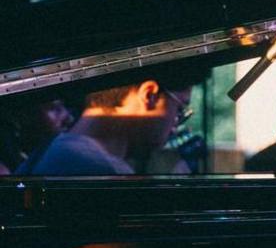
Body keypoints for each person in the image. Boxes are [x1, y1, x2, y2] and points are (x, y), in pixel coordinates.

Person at [21, 72, 198, 177]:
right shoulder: (103, 172)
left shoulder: (53, 149)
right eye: (179, 108)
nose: (176, 124)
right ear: (149, 95)